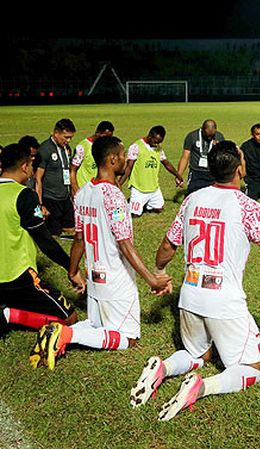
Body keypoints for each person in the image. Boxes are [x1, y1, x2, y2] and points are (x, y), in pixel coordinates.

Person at [130, 141, 260, 421]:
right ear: (239, 168)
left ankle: (165, 367)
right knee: (254, 367)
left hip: (190, 296)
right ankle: (202, 386)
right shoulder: (247, 207)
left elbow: (168, 246)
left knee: (198, 355)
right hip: (224, 301)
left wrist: (159, 273)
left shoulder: (191, 200)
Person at [31, 136, 171, 370]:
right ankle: (67, 336)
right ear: (112, 159)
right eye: (123, 155)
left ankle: (55, 332)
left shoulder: (84, 192)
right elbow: (125, 244)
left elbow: (79, 238)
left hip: (94, 276)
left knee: (96, 325)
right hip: (115, 279)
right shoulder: (114, 196)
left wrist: (73, 271)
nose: (126, 159)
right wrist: (152, 279)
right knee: (129, 338)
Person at [0, 145, 79, 354]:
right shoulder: (24, 195)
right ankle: (9, 315)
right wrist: (71, 268)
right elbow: (45, 242)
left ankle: (8, 311)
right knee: (70, 318)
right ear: (25, 166)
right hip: (19, 277)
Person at [119, 126, 184, 216]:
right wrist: (119, 184)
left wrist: (177, 175)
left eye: (159, 142)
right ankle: (132, 202)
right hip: (139, 188)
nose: (156, 144)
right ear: (150, 136)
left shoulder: (158, 148)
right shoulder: (136, 146)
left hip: (153, 188)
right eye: (155, 141)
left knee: (158, 210)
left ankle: (145, 203)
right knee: (135, 215)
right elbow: (129, 167)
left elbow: (166, 163)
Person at [35, 119, 76, 237]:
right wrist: (40, 204)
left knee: (71, 229)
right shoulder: (45, 149)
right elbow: (38, 178)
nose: (68, 140)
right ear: (56, 133)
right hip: (50, 198)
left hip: (64, 197)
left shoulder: (67, 149)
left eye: (70, 138)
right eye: (66, 137)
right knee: (55, 233)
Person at [177, 119, 225, 195]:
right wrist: (179, 175)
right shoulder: (192, 136)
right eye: (207, 135)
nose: (209, 138)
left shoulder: (219, 137)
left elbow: (222, 157)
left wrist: (218, 148)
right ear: (202, 129)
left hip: (212, 173)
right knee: (193, 195)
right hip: (196, 172)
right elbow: (185, 157)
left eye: (211, 135)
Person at [70, 121, 115, 195]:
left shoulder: (104, 147)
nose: (107, 140)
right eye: (105, 137)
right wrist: (75, 189)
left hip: (97, 191)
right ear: (98, 133)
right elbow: (72, 170)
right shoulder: (82, 147)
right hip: (83, 191)